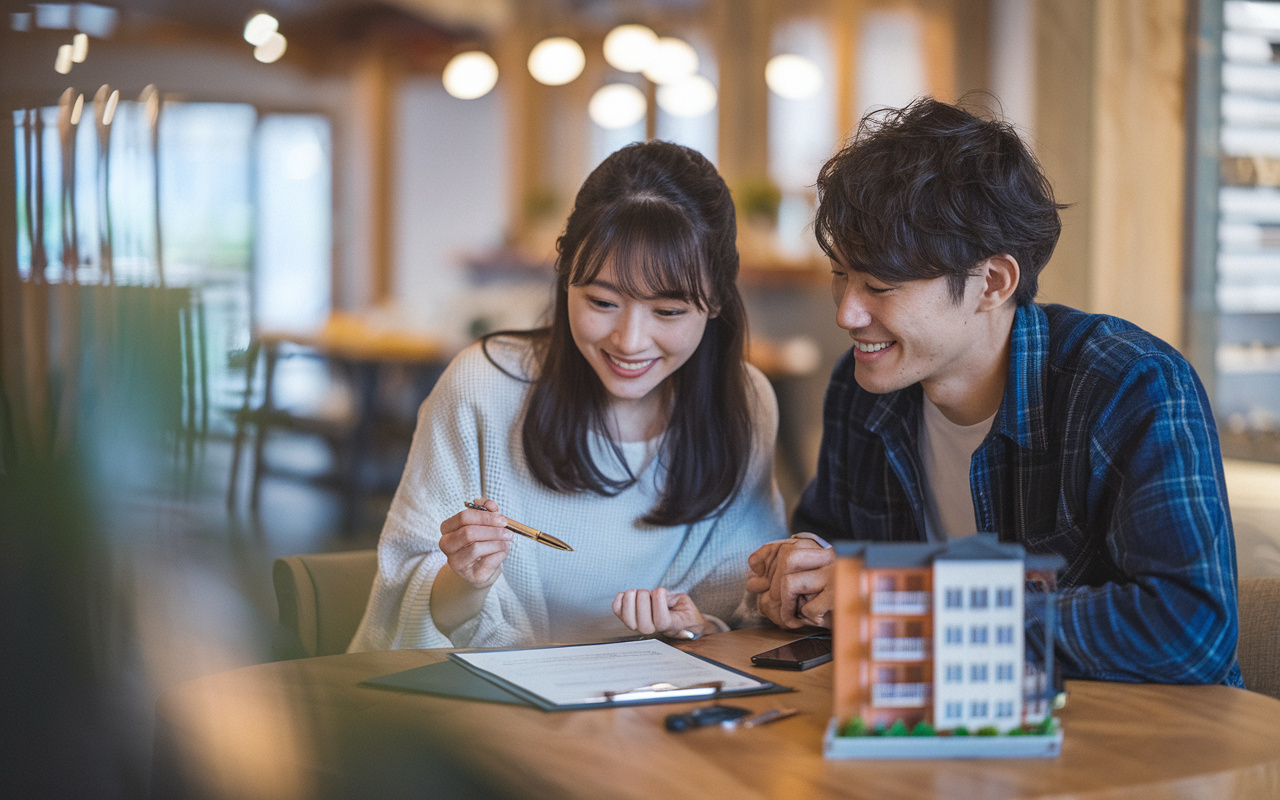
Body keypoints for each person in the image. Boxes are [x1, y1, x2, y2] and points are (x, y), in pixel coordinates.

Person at [746, 97, 1243, 686]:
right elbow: (838, 554)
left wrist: (915, 603)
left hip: (1134, 746)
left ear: (994, 282)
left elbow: (1191, 629)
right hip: (935, 738)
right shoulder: (863, 389)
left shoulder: (1130, 386)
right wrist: (803, 572)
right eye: (840, 276)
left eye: (880, 286)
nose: (848, 313)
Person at [349, 141, 786, 651]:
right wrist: (465, 578)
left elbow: (742, 611)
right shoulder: (485, 389)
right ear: (565, 278)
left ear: (716, 301)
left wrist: (694, 629)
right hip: (489, 714)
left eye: (668, 312)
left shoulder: (747, 405)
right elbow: (409, 614)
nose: (629, 340)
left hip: (655, 717)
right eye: (602, 301)